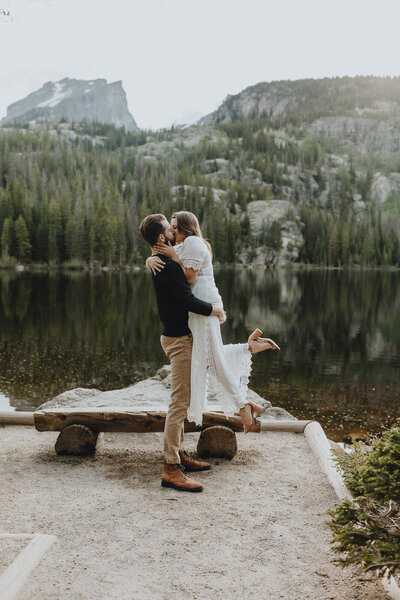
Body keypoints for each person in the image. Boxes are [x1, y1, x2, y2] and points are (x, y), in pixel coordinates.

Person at [146, 210, 280, 434]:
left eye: (176, 227)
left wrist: (174, 258)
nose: (173, 230)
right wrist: (150, 260)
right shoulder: (183, 244)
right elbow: (162, 257)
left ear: (186, 227)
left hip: (203, 304)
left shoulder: (193, 242)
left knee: (209, 358)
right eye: (171, 227)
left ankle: (242, 405)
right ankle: (247, 350)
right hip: (196, 306)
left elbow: (189, 277)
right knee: (205, 357)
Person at [140, 213, 226, 493]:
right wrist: (214, 309)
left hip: (174, 336)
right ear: (160, 238)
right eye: (169, 229)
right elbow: (186, 300)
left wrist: (149, 257)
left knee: (182, 400)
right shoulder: (168, 266)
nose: (175, 234)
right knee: (179, 404)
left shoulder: (161, 261)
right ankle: (170, 468)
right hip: (178, 340)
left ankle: (178, 455)